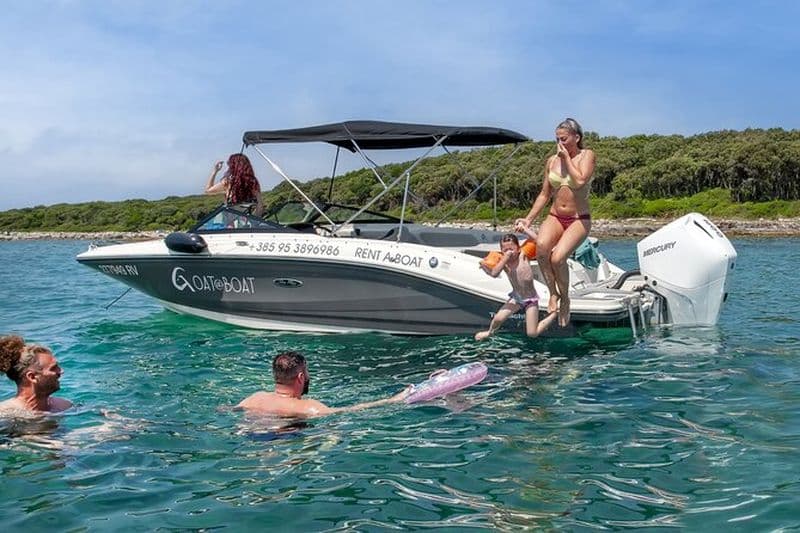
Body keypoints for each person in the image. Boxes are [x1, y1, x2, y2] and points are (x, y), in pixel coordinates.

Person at [515, 118, 596, 327]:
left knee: (558, 258)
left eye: (564, 139)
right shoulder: (552, 161)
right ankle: (553, 293)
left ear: (577, 138)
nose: (559, 143)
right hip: (555, 216)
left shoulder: (587, 156)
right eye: (557, 139)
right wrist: (528, 218)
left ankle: (566, 298)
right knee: (542, 249)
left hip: (579, 218)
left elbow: (578, 182)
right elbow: (544, 194)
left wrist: (566, 158)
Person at [237, 351, 410, 417]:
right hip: (282, 440)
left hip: (253, 435)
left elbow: (225, 410)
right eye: (306, 372)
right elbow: (350, 410)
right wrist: (393, 400)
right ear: (300, 377)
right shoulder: (307, 407)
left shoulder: (255, 398)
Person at [475, 233, 558, 341]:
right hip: (516, 298)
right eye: (505, 250)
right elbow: (495, 273)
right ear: (501, 250)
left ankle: (555, 314)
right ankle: (490, 333)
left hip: (530, 299)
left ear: (518, 248)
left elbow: (539, 240)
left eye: (511, 249)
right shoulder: (504, 262)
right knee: (498, 319)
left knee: (532, 333)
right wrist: (500, 260)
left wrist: (525, 230)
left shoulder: (523, 255)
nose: (509, 252)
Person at [0, 335, 72, 413]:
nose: (61, 371)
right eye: (53, 368)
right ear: (32, 377)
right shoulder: (5, 414)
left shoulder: (64, 406)